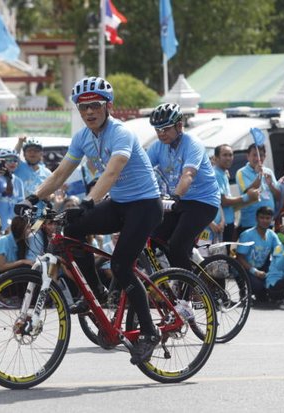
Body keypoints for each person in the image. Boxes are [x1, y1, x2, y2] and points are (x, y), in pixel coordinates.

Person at [34, 76, 163, 365]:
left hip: (145, 205)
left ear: (108, 106)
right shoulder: (82, 137)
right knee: (72, 230)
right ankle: (97, 291)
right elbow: (59, 174)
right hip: (119, 204)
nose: (89, 112)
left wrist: (88, 201)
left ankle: (150, 332)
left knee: (120, 265)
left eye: (94, 106)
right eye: (83, 108)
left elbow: (112, 172)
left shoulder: (120, 133)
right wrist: (33, 197)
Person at [146, 103, 220, 271]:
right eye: (157, 130)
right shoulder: (158, 146)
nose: (160, 134)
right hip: (180, 202)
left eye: (165, 129)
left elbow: (188, 175)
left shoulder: (193, 144)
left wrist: (174, 198)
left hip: (203, 202)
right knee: (154, 241)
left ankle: (189, 288)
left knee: (176, 246)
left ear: (179, 125)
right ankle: (180, 273)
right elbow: (141, 170)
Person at [213, 144, 259, 242]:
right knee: (220, 256)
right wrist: (247, 197)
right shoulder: (216, 174)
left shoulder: (223, 173)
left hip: (228, 222)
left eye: (230, 155)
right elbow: (223, 201)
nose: (229, 158)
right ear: (216, 158)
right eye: (225, 155)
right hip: (220, 225)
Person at [236, 206, 282, 304]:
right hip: (246, 268)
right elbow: (239, 258)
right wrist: (255, 271)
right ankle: (244, 293)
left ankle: (261, 293)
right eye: (262, 217)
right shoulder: (247, 234)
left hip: (262, 268)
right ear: (256, 218)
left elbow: (279, 253)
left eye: (268, 218)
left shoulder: (272, 235)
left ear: (272, 219)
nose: (264, 220)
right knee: (258, 286)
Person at [235, 143, 280, 237]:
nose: (258, 158)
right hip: (250, 222)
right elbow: (248, 192)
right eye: (254, 155)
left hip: (268, 221)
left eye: (261, 155)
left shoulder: (269, 171)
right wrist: (259, 175)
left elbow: (278, 196)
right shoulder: (241, 172)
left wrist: (270, 184)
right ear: (248, 156)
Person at [0, 149, 25, 232]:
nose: (12, 163)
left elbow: (21, 205)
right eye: (8, 160)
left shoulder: (18, 181)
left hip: (13, 227)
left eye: (15, 160)